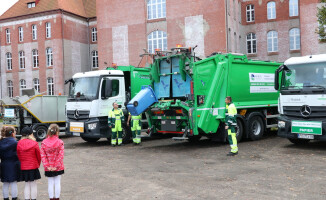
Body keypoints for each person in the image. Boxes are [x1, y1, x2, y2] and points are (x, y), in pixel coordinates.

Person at [40, 124, 64, 200]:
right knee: (57, 183)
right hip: (58, 166)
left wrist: (47, 166)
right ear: (57, 132)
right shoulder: (60, 142)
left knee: (50, 183)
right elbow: (60, 156)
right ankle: (57, 198)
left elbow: (43, 156)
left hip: (48, 167)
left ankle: (51, 198)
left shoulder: (44, 142)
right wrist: (56, 166)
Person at [17, 127, 41, 200]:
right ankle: (33, 199)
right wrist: (38, 164)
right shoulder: (34, 143)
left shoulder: (19, 143)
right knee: (33, 184)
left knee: (27, 184)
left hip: (24, 167)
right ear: (31, 134)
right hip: (33, 166)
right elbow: (38, 156)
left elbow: (18, 156)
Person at [0, 126, 21, 200]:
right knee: (13, 183)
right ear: (12, 134)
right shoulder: (15, 142)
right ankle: (14, 198)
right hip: (13, 164)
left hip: (4, 164)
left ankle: (5, 198)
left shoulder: (0, 142)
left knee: (5, 183)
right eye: (15, 131)